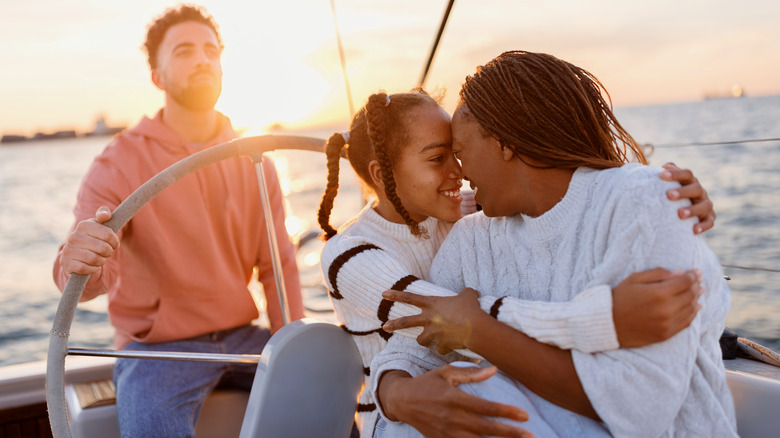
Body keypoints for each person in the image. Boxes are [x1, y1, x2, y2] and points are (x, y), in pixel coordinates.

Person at [372, 51, 736, 437]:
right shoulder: (471, 237)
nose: (459, 174)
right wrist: (398, 395)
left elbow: (640, 410)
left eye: (460, 153)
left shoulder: (644, 201)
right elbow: (408, 350)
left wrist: (480, 331)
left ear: (504, 142)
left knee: (469, 384)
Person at [52, 5, 304, 436]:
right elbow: (86, 277)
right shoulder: (118, 163)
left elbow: (277, 264)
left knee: (326, 406)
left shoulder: (254, 159)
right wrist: (81, 258)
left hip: (244, 337)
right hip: (156, 350)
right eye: (184, 51)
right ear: (157, 77)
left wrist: (292, 347)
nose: (202, 59)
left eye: (210, 50)